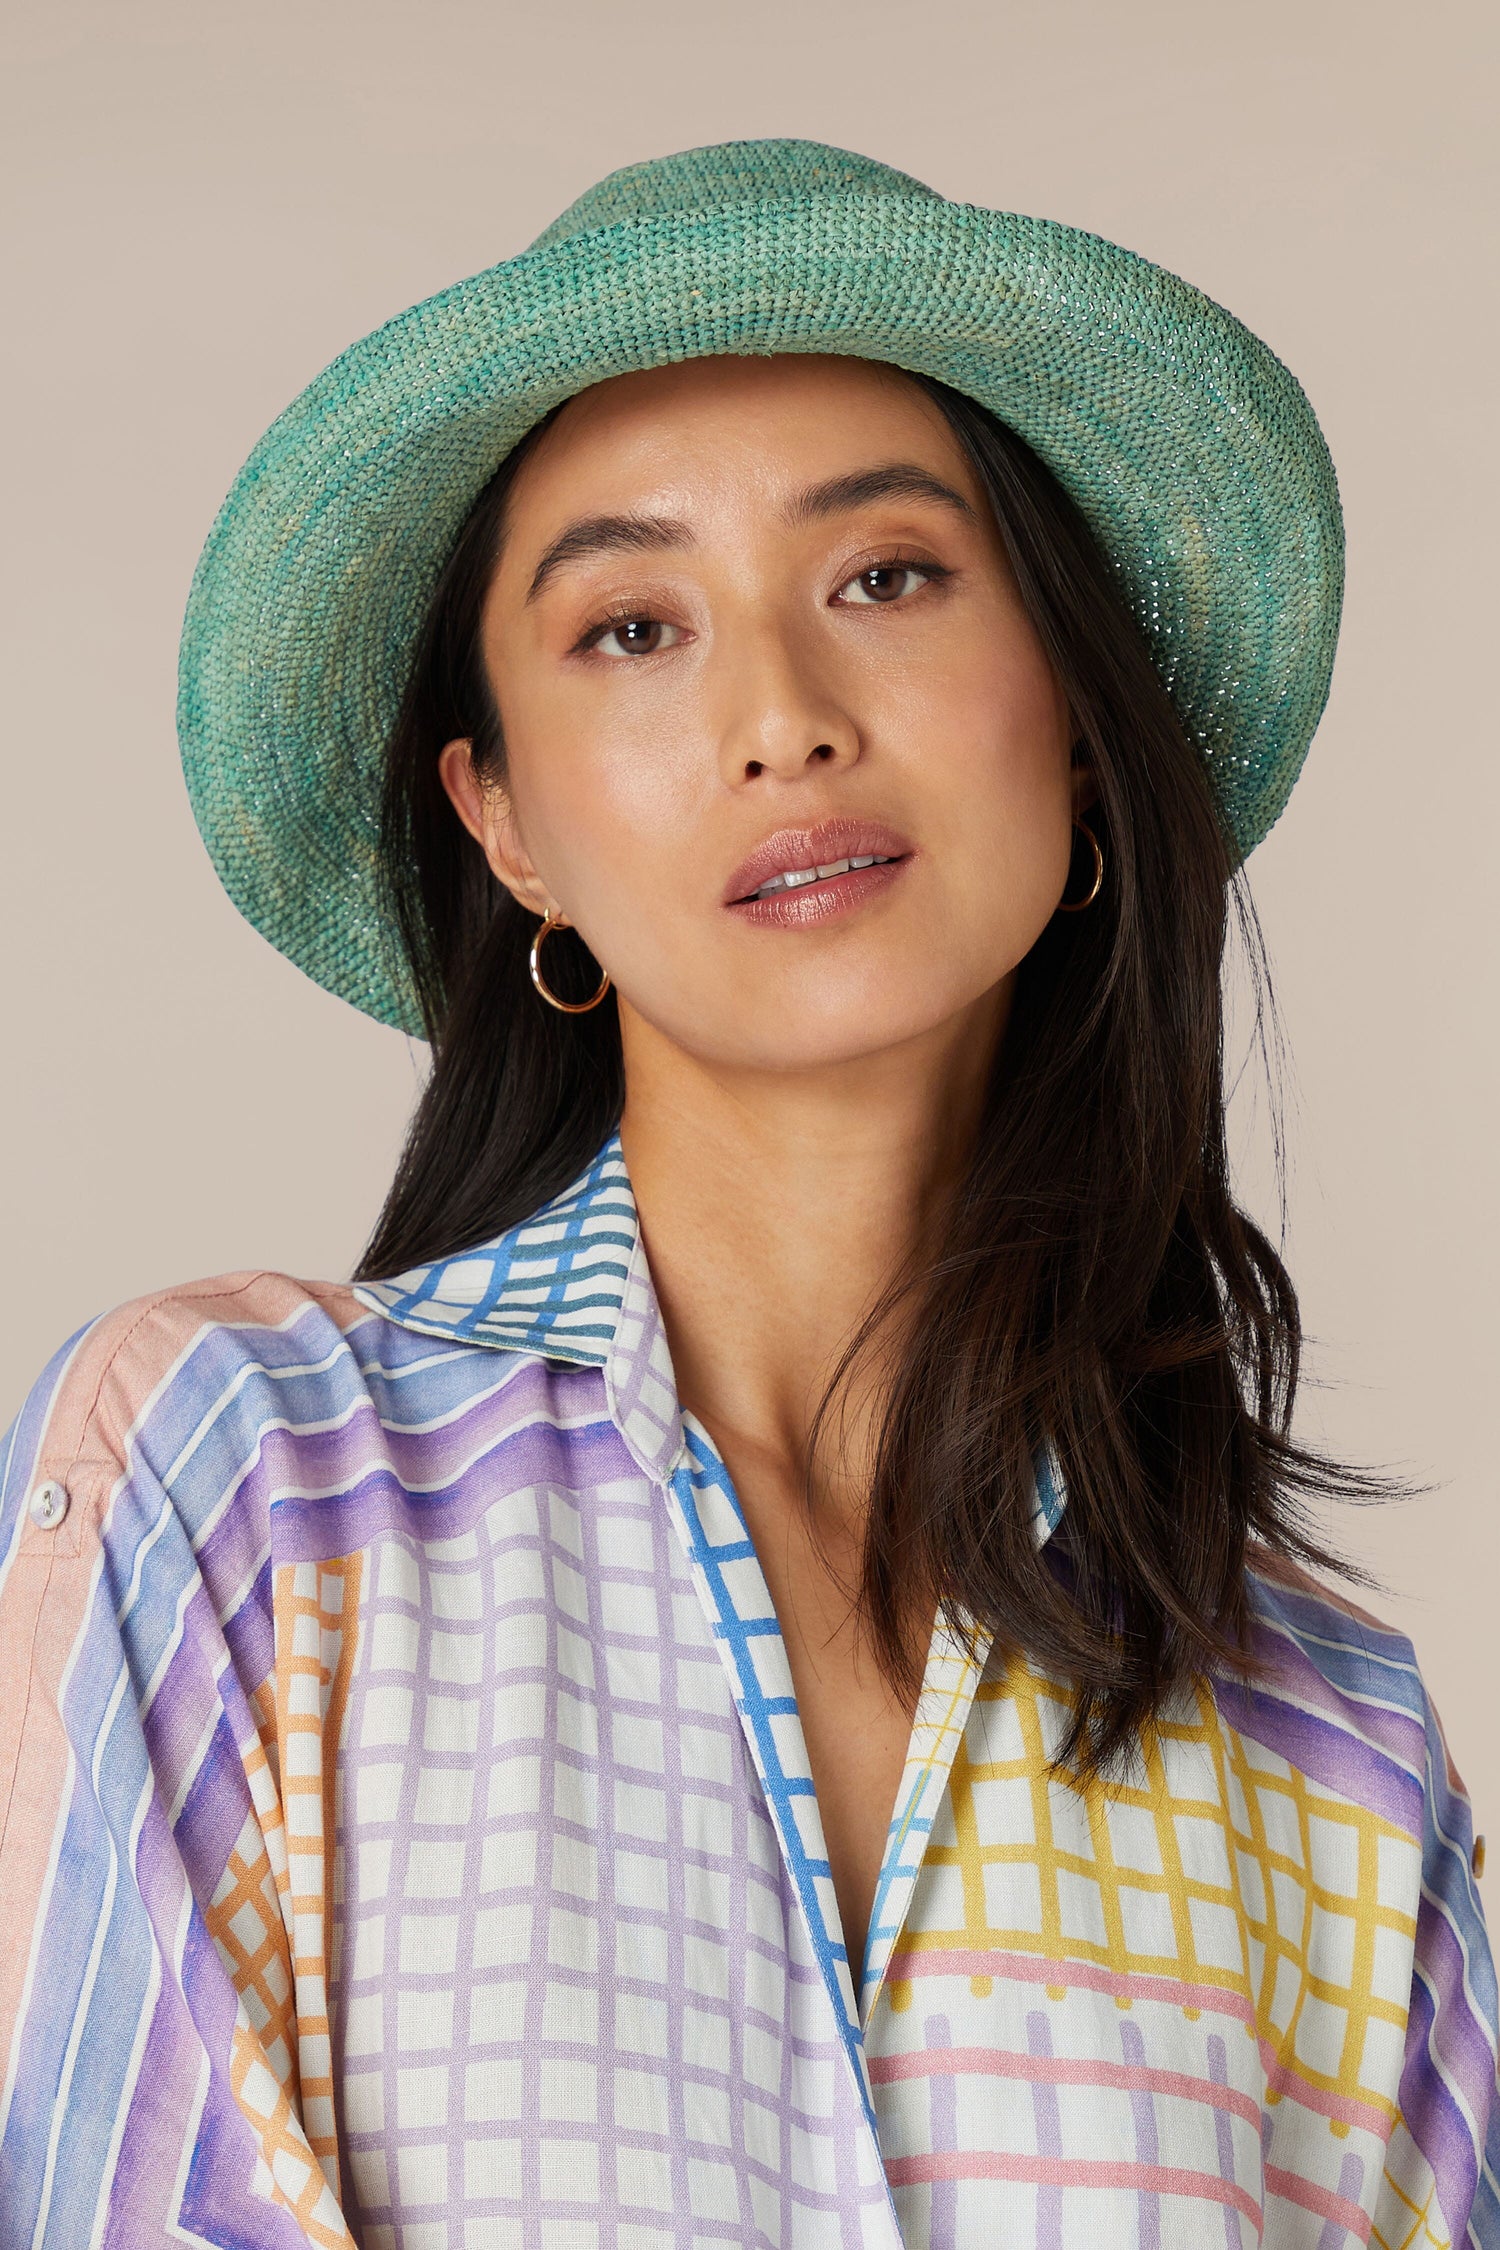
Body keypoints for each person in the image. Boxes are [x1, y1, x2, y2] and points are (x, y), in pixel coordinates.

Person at [0, 138, 1493, 2250]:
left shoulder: (1329, 1746)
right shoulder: (237, 1493)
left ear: (1071, 724)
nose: (782, 720)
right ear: (507, 825)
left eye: (886, 577)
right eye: (629, 626)